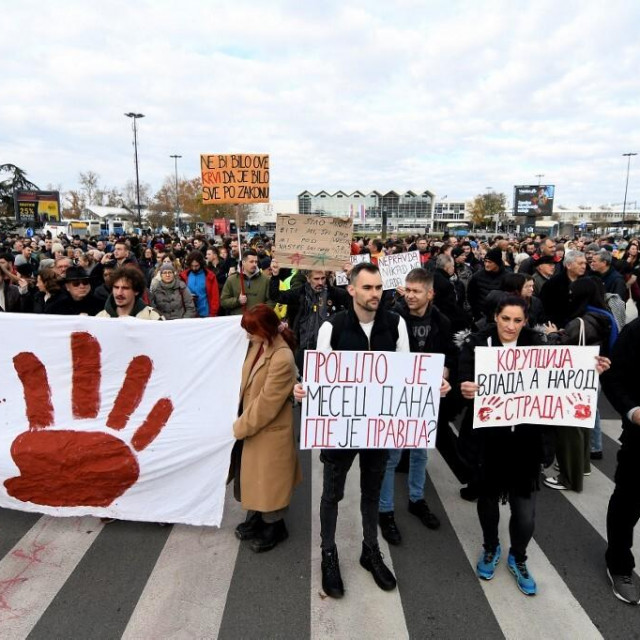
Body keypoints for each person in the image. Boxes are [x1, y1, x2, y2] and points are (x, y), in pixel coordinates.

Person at [459, 296, 609, 596]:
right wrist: (466, 386)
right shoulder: (476, 344)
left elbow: (562, 377)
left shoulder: (537, 346)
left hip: (525, 442)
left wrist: (592, 368)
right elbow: (463, 378)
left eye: (517, 320)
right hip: (488, 441)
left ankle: (518, 556)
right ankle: (491, 548)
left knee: (525, 513)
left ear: (525, 321)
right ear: (495, 317)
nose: (511, 326)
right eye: (505, 319)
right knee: (488, 503)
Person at [294, 262, 410, 599]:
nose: (375, 294)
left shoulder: (395, 323)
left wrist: (434, 385)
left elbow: (406, 374)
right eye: (368, 288)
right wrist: (305, 389)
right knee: (332, 493)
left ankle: (369, 549)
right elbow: (320, 375)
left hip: (379, 429)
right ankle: (328, 553)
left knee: (372, 492)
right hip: (340, 430)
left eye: (378, 288)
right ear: (352, 290)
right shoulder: (334, 327)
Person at [378, 268, 453, 544]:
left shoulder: (442, 321)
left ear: (429, 293)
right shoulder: (391, 319)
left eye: (416, 291)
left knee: (420, 453)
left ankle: (416, 498)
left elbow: (449, 354)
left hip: (425, 398)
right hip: (397, 397)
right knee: (392, 456)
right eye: (407, 290)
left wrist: (446, 371)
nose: (409, 295)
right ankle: (385, 510)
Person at [230, 304, 301, 553]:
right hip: (254, 424)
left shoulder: (282, 357)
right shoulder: (259, 345)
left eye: (251, 330)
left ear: (265, 330)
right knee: (255, 477)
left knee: (270, 481)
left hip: (268, 428)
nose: (247, 335)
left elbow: (267, 404)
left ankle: (275, 526)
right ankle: (258, 517)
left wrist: (240, 426)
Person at [544, 277, 617, 490]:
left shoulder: (581, 322)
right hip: (590, 377)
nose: (569, 296)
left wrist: (552, 335)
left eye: (571, 293)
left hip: (573, 381)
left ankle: (570, 476)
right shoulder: (603, 315)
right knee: (582, 424)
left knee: (570, 428)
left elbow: (561, 349)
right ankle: (581, 466)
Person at [601, 318, 640, 604]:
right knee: (628, 502)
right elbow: (612, 377)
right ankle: (619, 565)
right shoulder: (636, 331)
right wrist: (632, 410)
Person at [268, 261, 350, 371]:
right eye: (316, 279)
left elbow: (354, 302)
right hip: (304, 348)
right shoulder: (299, 293)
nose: (320, 282)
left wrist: (351, 276)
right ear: (308, 278)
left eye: (323, 278)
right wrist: (275, 276)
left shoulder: (335, 294)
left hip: (330, 350)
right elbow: (276, 296)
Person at [97, 266, 163, 319]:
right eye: (116, 287)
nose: (119, 293)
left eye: (125, 288)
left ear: (136, 291)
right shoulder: (101, 318)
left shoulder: (153, 317)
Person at [220, 249, 273, 315]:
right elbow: (224, 301)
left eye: (256, 262)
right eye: (251, 262)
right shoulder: (231, 280)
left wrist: (263, 313)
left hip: (259, 320)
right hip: (238, 321)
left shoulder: (266, 280)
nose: (254, 264)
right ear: (243, 262)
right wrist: (238, 301)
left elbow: (271, 301)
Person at [179, 250, 220, 317]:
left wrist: (213, 313)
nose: (194, 268)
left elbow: (215, 296)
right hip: (188, 313)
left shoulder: (210, 276)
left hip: (205, 313)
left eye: (196, 266)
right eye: (192, 266)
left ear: (201, 264)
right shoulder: (184, 275)